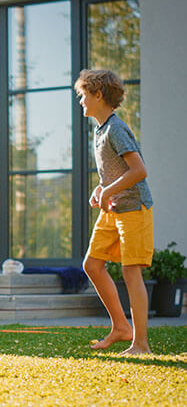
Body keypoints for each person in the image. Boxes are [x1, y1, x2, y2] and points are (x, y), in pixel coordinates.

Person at [76, 69, 153, 355]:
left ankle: (140, 344)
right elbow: (115, 172)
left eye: (84, 96)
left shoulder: (116, 129)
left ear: (99, 95)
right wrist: (101, 189)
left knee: (131, 272)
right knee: (92, 265)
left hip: (134, 208)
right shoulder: (100, 130)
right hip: (113, 208)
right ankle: (121, 327)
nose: (81, 101)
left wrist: (107, 191)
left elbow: (139, 171)